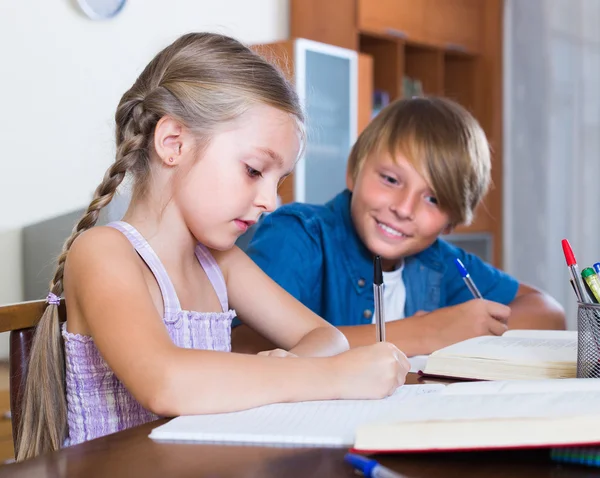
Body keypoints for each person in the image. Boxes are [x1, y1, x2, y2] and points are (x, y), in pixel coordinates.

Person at [16, 33, 410, 461]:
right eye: (253, 170)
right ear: (173, 144)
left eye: (277, 181)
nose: (270, 201)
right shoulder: (103, 253)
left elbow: (326, 337)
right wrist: (329, 378)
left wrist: (292, 370)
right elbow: (166, 381)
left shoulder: (221, 264)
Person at [240, 96, 565, 356]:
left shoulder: (440, 260)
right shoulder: (297, 235)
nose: (404, 208)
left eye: (434, 199)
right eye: (391, 179)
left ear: (451, 221)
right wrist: (425, 334)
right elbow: (243, 346)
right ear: (354, 169)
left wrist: (473, 328)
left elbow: (548, 313)